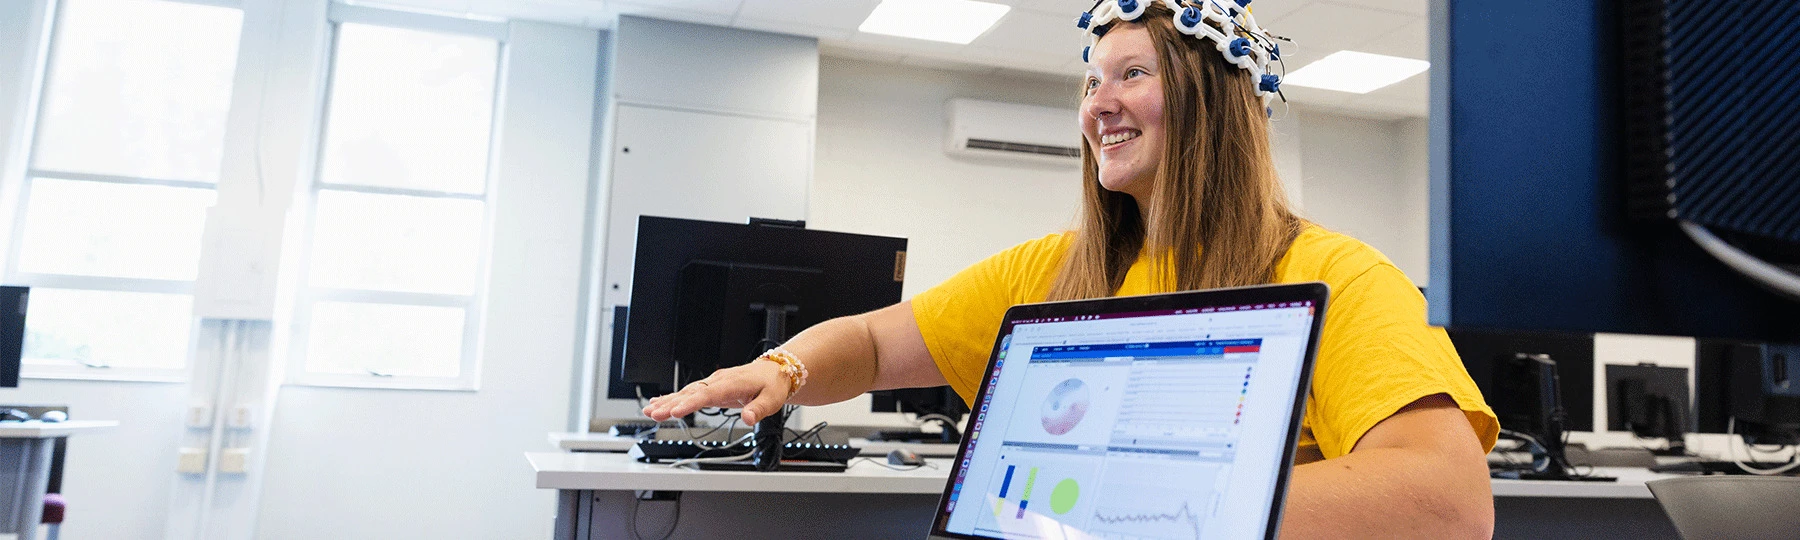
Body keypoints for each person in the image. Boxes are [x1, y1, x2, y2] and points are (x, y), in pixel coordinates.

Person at [645, 0, 1498, 536]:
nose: (1098, 105)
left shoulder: (1336, 274)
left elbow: (1447, 502)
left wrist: (1145, 510)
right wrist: (779, 370)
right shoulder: (1059, 269)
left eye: (1132, 74)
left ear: (1211, 104)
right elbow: (872, 345)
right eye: (1091, 82)